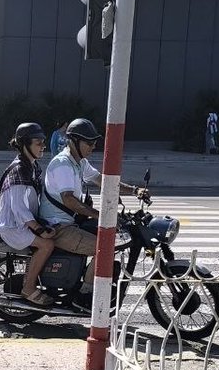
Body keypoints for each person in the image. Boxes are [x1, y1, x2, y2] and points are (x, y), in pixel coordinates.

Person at [40, 117, 149, 295]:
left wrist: (135, 190)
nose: (93, 147)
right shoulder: (63, 164)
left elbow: (104, 181)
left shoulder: (79, 162)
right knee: (104, 249)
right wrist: (100, 215)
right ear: (74, 141)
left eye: (94, 142)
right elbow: (69, 200)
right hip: (58, 226)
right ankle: (87, 294)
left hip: (70, 222)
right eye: (89, 143)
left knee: (113, 237)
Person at [0, 122, 56, 307]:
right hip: (11, 227)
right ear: (25, 144)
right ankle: (28, 288)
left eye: (43, 142)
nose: (43, 146)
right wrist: (39, 229)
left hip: (22, 223)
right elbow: (19, 209)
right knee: (47, 245)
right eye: (38, 142)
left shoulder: (32, 166)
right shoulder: (19, 170)